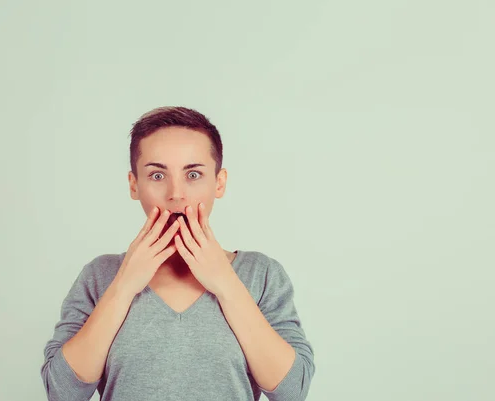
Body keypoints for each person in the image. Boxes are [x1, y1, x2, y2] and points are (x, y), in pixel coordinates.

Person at [40, 106, 316, 401]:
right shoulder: (99, 275)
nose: (176, 194)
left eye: (193, 174)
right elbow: (62, 391)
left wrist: (226, 284)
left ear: (219, 182)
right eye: (157, 175)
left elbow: (292, 391)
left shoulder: (262, 275)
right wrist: (124, 286)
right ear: (134, 185)